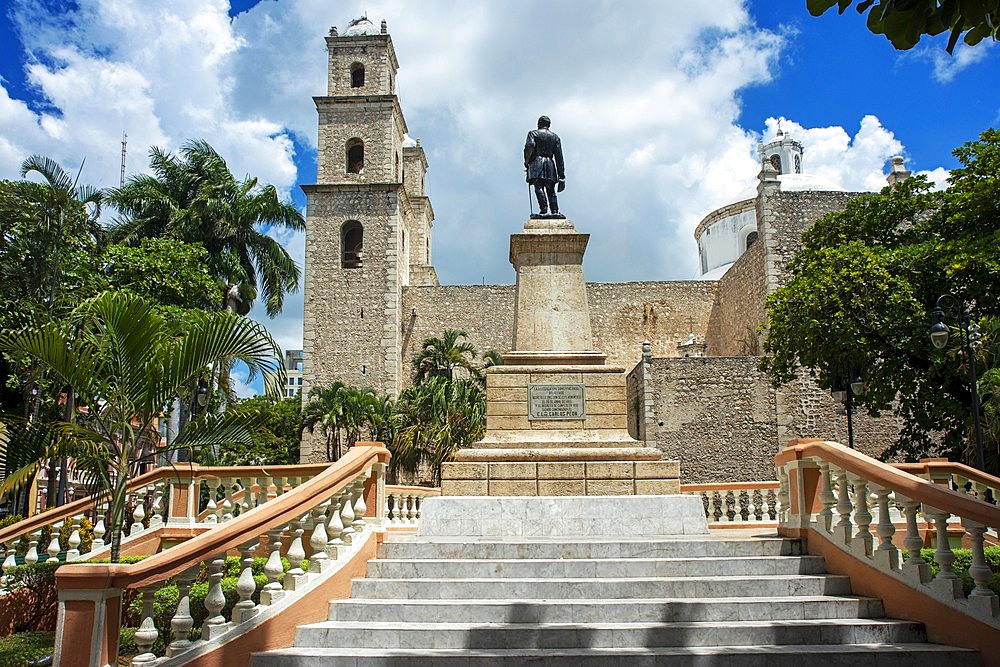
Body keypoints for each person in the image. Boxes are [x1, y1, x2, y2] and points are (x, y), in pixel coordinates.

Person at [524, 115, 565, 218]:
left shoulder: (533, 134)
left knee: (538, 186)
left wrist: (527, 161)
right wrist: (561, 176)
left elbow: (529, 146)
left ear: (539, 124)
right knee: (550, 188)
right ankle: (555, 210)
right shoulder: (555, 137)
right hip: (550, 163)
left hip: (536, 162)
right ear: (549, 125)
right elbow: (559, 157)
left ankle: (544, 210)